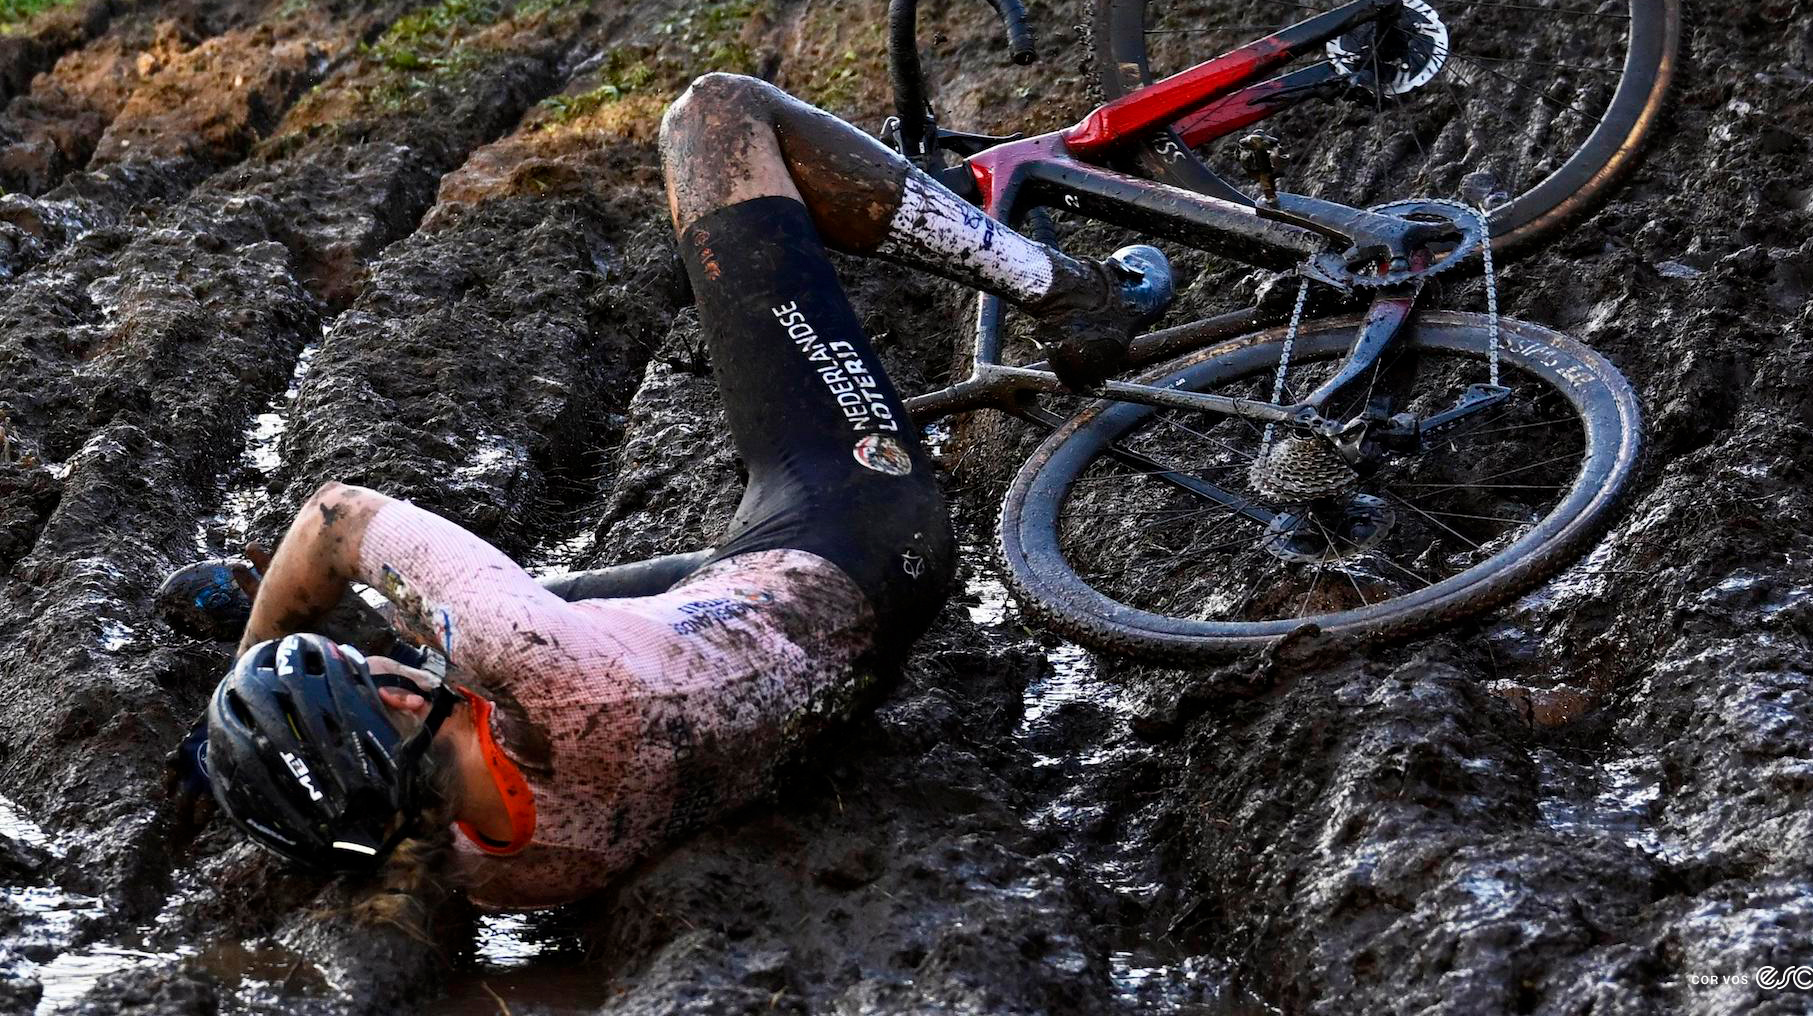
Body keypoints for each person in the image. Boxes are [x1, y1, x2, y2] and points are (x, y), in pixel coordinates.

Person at [181, 74, 1173, 908]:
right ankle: (1073, 290)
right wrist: (254, 667)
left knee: (541, 654)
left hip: (805, 666)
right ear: (397, 692)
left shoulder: (503, 875)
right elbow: (336, 515)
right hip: (855, 527)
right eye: (376, 676)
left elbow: (408, 781)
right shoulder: (516, 646)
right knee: (713, 118)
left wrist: (298, 764)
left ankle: (294, 642)